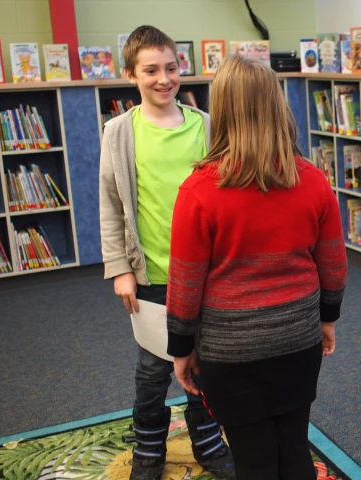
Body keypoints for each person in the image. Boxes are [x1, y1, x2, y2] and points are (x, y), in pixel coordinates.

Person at [166, 54, 348, 480]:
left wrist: (181, 348)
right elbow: (334, 265)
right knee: (294, 448)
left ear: (222, 111)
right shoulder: (313, 180)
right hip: (298, 342)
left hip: (231, 355)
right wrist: (328, 320)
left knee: (253, 461)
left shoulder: (198, 191)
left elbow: (185, 284)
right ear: (276, 104)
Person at [98, 25, 235, 480]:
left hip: (207, 274)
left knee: (205, 359)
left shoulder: (207, 127)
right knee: (153, 369)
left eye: (172, 68)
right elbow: (111, 204)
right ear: (130, 75)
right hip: (151, 274)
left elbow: (225, 197)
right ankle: (149, 450)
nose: (164, 79)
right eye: (151, 70)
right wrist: (120, 269)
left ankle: (208, 440)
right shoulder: (119, 132)